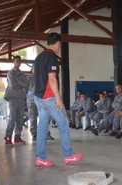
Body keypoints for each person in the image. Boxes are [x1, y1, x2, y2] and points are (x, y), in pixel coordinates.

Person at [33, 32, 82, 167]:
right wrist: (59, 99)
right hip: (49, 98)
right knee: (63, 124)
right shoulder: (51, 57)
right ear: (57, 43)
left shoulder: (39, 57)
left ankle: (40, 158)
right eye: (59, 45)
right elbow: (52, 79)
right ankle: (68, 156)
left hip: (38, 98)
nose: (59, 47)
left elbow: (34, 74)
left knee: (42, 128)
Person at [4, 56, 30, 146]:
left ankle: (17, 137)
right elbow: (12, 85)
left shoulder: (21, 73)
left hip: (21, 98)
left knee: (20, 118)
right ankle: (8, 137)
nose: (18, 62)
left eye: (20, 61)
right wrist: (21, 83)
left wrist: (18, 81)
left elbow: (27, 85)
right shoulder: (10, 73)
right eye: (17, 61)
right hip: (13, 98)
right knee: (12, 118)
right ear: (13, 62)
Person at [26, 69, 54, 142]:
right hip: (32, 101)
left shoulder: (41, 77)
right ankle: (34, 134)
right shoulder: (28, 78)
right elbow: (24, 89)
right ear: (31, 69)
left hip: (41, 100)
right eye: (35, 68)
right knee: (33, 117)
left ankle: (46, 133)